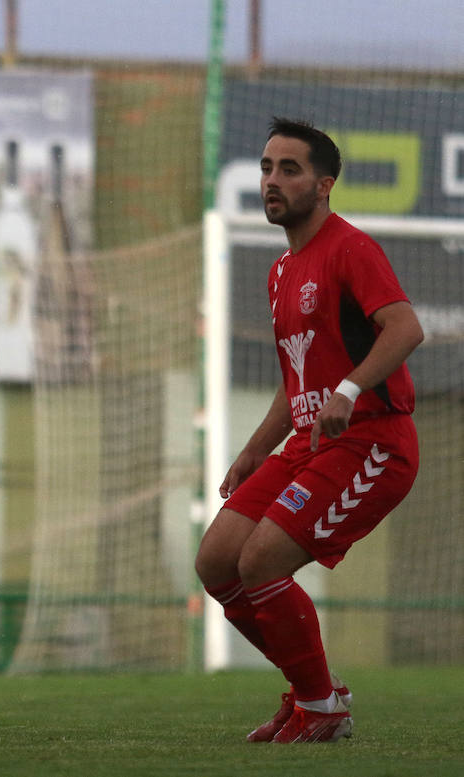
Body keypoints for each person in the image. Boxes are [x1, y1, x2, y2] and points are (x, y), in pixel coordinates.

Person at [194, 118, 422, 744]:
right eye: (266, 168)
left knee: (261, 559)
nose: (272, 181)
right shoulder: (281, 272)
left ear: (324, 186)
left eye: (288, 170)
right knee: (217, 562)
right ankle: (316, 694)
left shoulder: (352, 249)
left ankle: (322, 709)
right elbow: (295, 382)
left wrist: (349, 390)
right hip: (307, 446)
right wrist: (250, 452)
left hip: (373, 442)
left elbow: (406, 329)